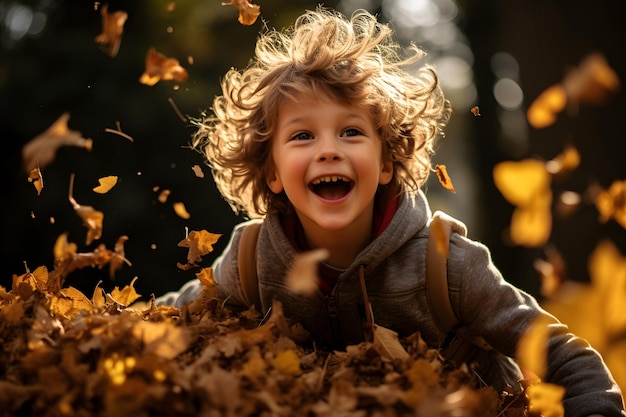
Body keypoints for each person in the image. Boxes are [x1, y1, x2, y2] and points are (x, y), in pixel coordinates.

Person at [157, 7, 624, 416]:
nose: (328, 151)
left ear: (385, 163)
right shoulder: (252, 260)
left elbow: (560, 354)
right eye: (302, 136)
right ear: (272, 172)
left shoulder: (447, 265)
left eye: (351, 132)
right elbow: (169, 319)